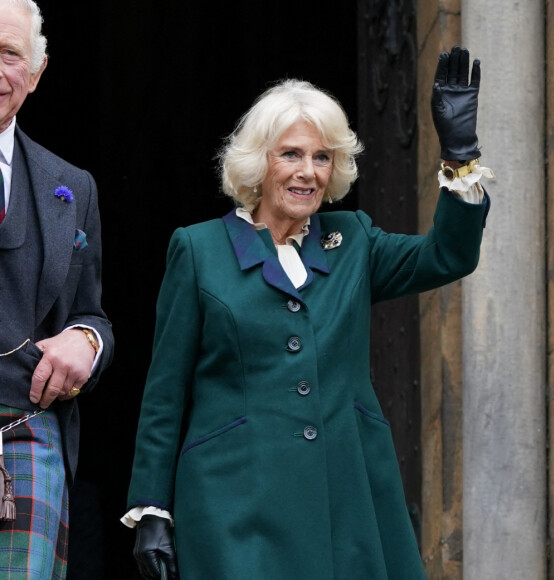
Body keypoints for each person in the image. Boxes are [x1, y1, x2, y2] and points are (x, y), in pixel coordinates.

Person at [124, 46, 492, 580]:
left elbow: (448, 255)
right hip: (234, 503)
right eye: (291, 155)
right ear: (258, 161)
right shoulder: (198, 250)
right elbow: (166, 388)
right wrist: (152, 505)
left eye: (322, 158)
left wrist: (460, 153)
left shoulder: (355, 241)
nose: (308, 173)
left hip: (347, 498)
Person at [0, 0, 113, 577]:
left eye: (9, 55)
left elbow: (90, 311)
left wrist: (87, 341)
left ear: (36, 72)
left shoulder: (71, 186)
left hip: (25, 431)